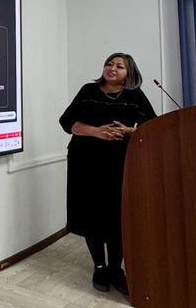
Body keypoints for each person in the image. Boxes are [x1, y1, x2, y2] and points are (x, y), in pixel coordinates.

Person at [59, 53, 156, 294]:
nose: (112, 68)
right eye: (109, 64)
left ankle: (115, 269)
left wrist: (130, 131)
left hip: (120, 164)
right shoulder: (88, 91)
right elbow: (67, 122)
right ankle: (99, 267)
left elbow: (153, 126)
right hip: (85, 163)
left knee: (116, 217)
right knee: (90, 214)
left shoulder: (135, 96)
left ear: (129, 73)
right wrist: (96, 132)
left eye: (119, 66)